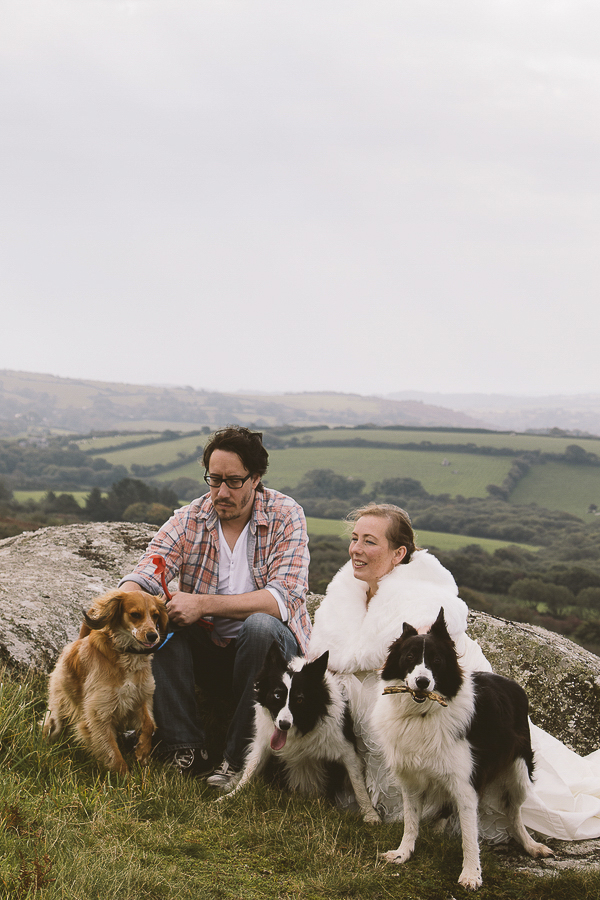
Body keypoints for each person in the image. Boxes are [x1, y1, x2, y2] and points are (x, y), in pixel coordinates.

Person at [308, 502, 600, 841]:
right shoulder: (345, 597)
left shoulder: (424, 607)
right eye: (355, 538)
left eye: (370, 541)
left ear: (398, 553)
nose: (356, 549)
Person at [119, 426, 311, 787]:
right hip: (209, 654)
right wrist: (125, 599)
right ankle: (184, 749)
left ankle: (238, 760)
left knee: (259, 628)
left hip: (268, 659)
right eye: (214, 479)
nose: (221, 492)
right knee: (160, 627)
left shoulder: (286, 515)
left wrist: (203, 603)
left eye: (233, 481)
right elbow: (148, 569)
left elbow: (281, 599)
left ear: (256, 479)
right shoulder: (191, 518)